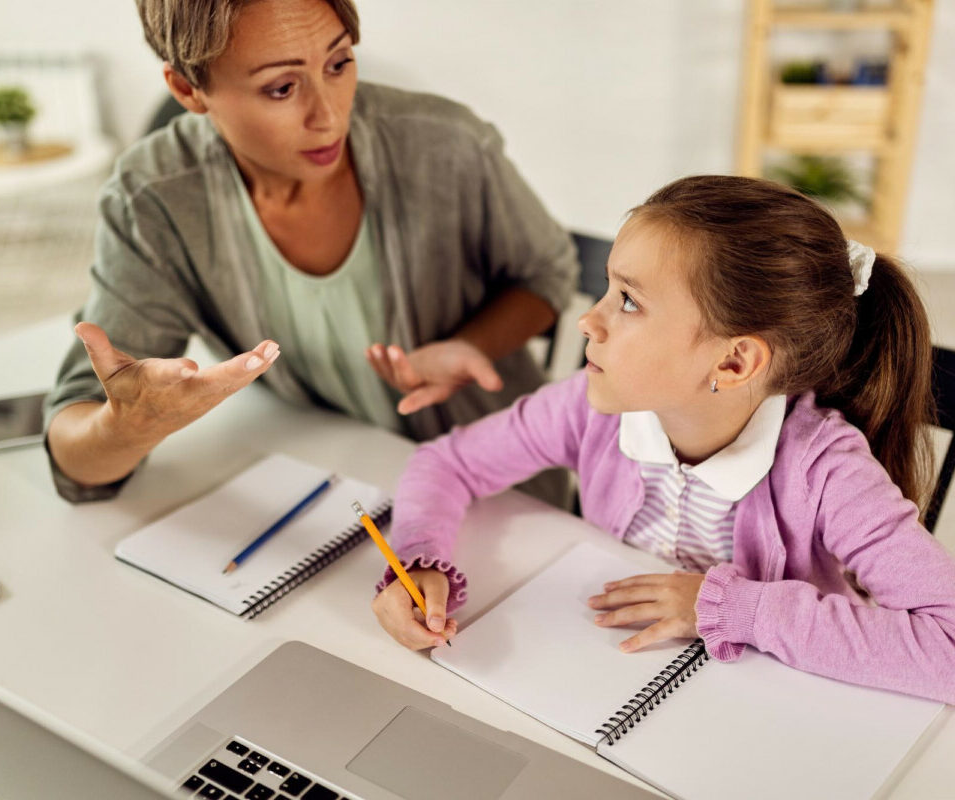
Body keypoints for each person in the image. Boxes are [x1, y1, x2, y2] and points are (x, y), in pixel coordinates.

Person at [372, 175, 955, 704]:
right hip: (605, 682)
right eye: (608, 288)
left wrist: (732, 608)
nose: (587, 321)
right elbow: (446, 464)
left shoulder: (824, 472)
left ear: (732, 363)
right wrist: (420, 562)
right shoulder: (589, 408)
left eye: (628, 301)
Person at [44, 0, 578, 502]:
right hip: (335, 490)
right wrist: (127, 429)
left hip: (501, 496)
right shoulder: (154, 199)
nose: (328, 116)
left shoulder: (446, 143)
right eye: (281, 88)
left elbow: (547, 272)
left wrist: (473, 345)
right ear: (188, 89)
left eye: (339, 62)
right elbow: (77, 454)